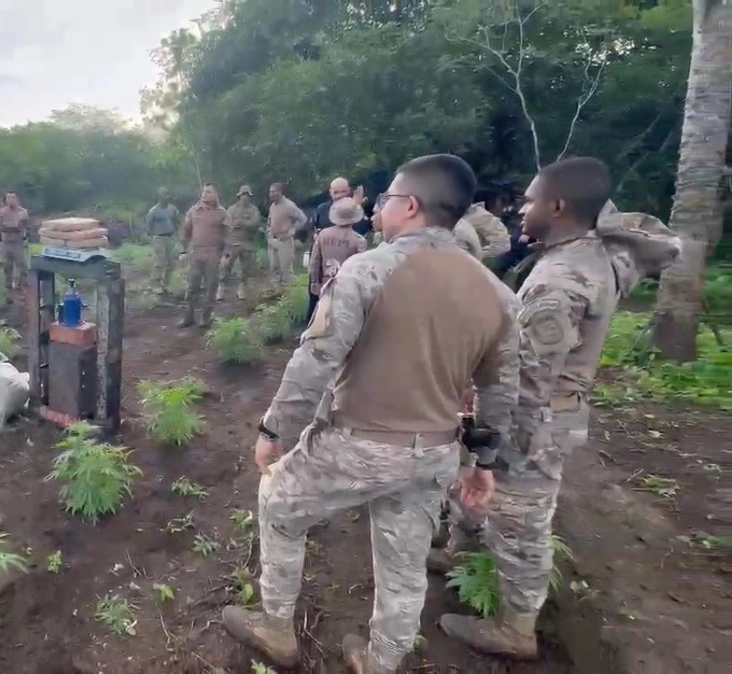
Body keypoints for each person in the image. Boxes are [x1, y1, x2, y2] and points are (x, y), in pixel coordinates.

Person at [221, 154, 520, 673]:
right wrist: (483, 462)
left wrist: (274, 428)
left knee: (278, 503)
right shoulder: (498, 295)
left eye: (386, 199)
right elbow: (500, 390)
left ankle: (276, 627)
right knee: (405, 562)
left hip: (359, 444)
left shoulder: (368, 270)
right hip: (435, 450)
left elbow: (317, 359)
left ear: (410, 205)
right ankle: (382, 662)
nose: (379, 208)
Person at [436, 158, 681, 660]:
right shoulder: (587, 256)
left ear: (558, 206)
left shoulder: (561, 281)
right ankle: (459, 553)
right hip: (549, 411)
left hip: (533, 422)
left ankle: (515, 627)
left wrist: (487, 430)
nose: (521, 210)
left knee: (519, 519)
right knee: (478, 488)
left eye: (530, 200)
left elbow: (527, 378)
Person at [305, 197, 367, 324]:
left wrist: (314, 281)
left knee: (322, 319)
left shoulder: (323, 235)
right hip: (347, 289)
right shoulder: (359, 240)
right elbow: (361, 269)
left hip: (325, 285)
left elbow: (314, 261)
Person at [179, 183, 229, 328]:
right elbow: (186, 231)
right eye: (203, 192)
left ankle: (205, 318)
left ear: (216, 194)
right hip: (196, 253)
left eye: (208, 192)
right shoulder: (194, 210)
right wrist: (183, 250)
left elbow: (228, 236)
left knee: (210, 287)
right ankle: (188, 317)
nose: (204, 194)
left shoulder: (222, 213)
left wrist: (225, 255)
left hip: (213, 253)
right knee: (191, 287)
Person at [220, 185, 264, 301]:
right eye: (243, 195)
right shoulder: (231, 209)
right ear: (239, 196)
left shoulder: (253, 210)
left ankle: (242, 288)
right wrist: (235, 224)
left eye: (247, 195)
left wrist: (241, 222)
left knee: (245, 268)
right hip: (232, 242)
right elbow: (226, 223)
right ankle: (221, 287)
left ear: (250, 197)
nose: (245, 197)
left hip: (247, 242)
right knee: (226, 266)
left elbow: (255, 223)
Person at [265, 183, 307, 287]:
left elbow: (302, 219)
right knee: (274, 268)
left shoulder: (289, 205)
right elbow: (269, 221)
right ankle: (276, 291)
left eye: (273, 192)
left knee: (286, 270)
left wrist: (291, 232)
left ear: (280, 192)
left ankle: (288, 292)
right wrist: (269, 233)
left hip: (285, 240)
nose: (271, 194)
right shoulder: (272, 206)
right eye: (270, 192)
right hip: (273, 240)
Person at [144, 188, 181, 295]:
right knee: (160, 261)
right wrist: (152, 236)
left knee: (171, 263)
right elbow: (148, 225)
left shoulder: (172, 209)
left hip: (170, 237)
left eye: (168, 195)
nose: (166, 197)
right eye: (164, 195)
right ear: (159, 197)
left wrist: (177, 233)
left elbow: (178, 221)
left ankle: (165, 284)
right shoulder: (154, 211)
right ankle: (155, 284)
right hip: (159, 237)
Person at [0, 191, 31, 295]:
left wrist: (8, 225)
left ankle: (22, 287)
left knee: (22, 266)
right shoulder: (1, 212)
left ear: (17, 199)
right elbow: (0, 227)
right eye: (8, 198)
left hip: (18, 243)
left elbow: (19, 226)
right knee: (7, 267)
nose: (10, 200)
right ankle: (8, 288)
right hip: (6, 243)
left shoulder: (23, 212)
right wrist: (11, 225)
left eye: (13, 197)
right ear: (6, 200)